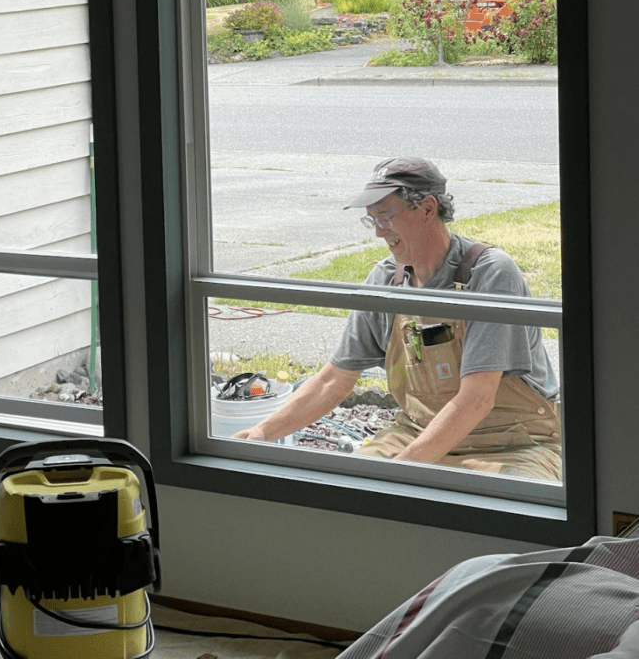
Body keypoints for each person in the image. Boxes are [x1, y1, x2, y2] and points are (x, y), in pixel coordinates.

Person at [234, 157, 562, 480]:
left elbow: (477, 399)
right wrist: (262, 433)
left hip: (515, 444)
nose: (378, 233)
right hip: (417, 431)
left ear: (428, 209)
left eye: (386, 218)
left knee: (514, 509)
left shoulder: (489, 274)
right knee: (351, 492)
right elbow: (334, 381)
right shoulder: (386, 281)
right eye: (371, 221)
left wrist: (401, 473)